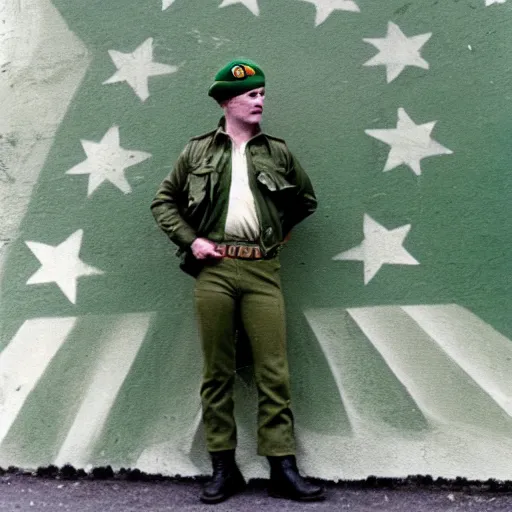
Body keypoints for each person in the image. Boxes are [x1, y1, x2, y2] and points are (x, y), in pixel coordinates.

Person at [151, 59, 323, 504]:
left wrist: (275, 233)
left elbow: (305, 200)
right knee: (217, 371)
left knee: (273, 369)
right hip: (215, 270)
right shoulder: (197, 152)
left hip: (263, 269)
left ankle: (283, 468)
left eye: (263, 94)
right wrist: (192, 241)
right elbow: (164, 201)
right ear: (228, 101)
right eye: (251, 95)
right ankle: (223, 469)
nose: (259, 101)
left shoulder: (278, 152)